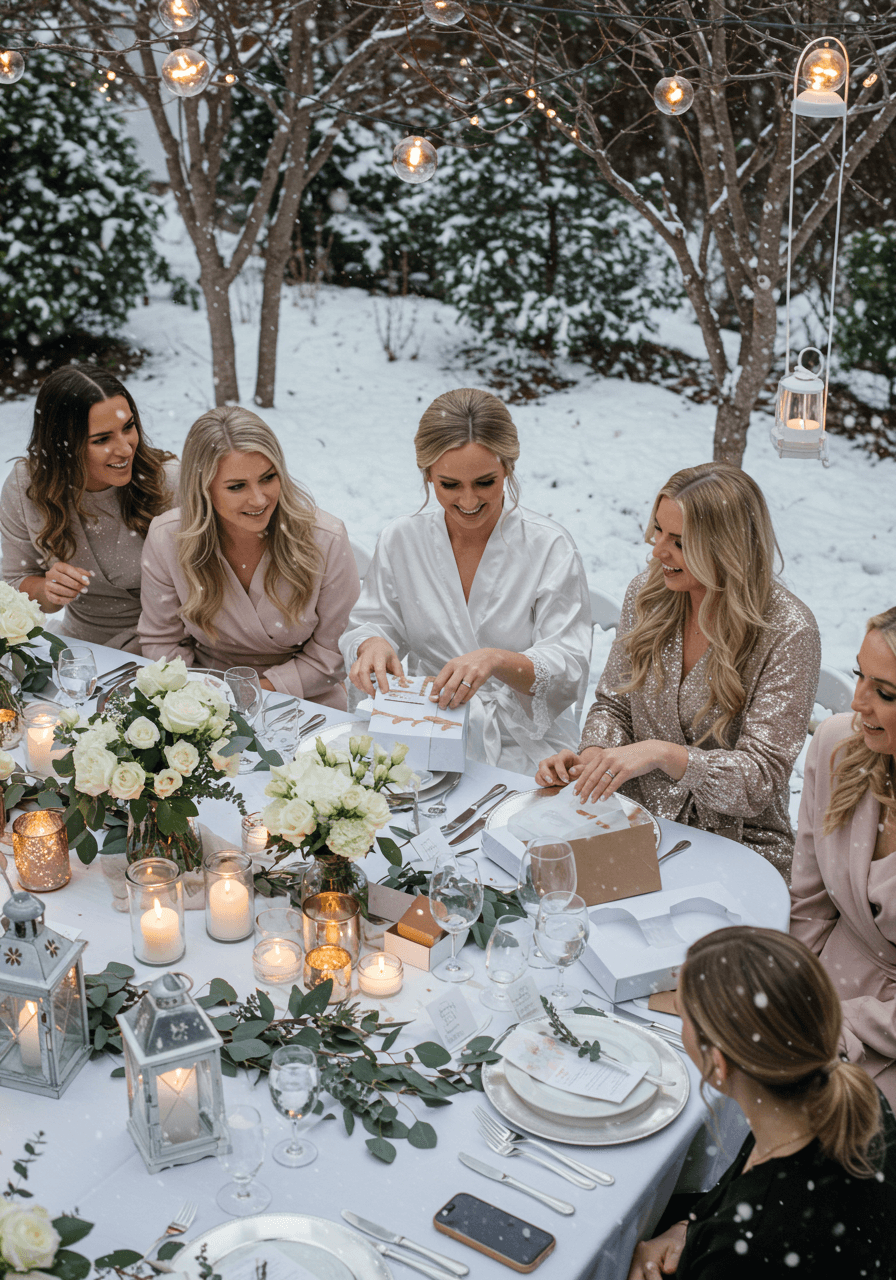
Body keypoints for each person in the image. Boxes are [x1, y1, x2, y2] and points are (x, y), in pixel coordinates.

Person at [536, 463, 820, 878]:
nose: (657, 551)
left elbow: (760, 780)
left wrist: (666, 755)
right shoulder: (648, 593)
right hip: (631, 819)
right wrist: (595, 760)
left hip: (737, 843)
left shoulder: (788, 631)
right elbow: (614, 706)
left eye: (679, 542)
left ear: (727, 549)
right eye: (658, 530)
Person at [340, 387, 592, 772]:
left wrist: (496, 659)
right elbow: (374, 622)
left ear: (508, 467)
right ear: (427, 474)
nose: (469, 501)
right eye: (450, 485)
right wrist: (372, 643)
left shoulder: (550, 548)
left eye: (485, 482)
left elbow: (569, 665)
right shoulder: (402, 540)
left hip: (530, 748)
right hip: (425, 730)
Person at [628, 926, 896, 1280]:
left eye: (682, 1015)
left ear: (718, 1063)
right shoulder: (843, 1089)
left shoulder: (747, 1243)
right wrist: (689, 1230)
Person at [138, 406, 359, 706]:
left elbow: (332, 654)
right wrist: (194, 700)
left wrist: (247, 693)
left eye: (268, 478)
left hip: (306, 694)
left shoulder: (326, 539)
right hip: (201, 692)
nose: (258, 499)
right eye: (237, 486)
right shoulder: (168, 537)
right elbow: (161, 641)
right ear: (203, 489)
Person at [790, 607, 896, 1107]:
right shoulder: (836, 746)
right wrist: (791, 994)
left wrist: (841, 1027)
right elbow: (809, 903)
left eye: (885, 693)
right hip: (820, 986)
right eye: (859, 675)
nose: (857, 702)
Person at [0, 366, 178, 650]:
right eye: (102, 439)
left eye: (128, 427)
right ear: (62, 445)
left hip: (166, 644)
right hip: (79, 648)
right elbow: (13, 583)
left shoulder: (170, 482)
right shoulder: (27, 488)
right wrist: (48, 591)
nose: (125, 449)